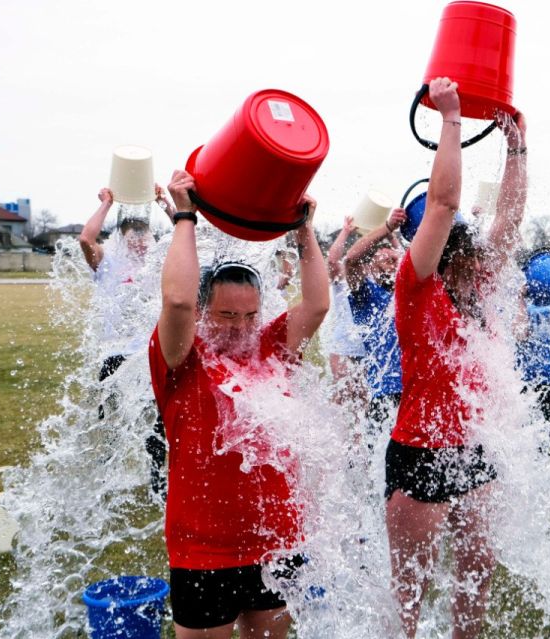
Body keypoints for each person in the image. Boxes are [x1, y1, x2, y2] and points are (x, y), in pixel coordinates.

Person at [150, 169, 329, 638]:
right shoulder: (182, 358)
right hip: (204, 550)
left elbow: (316, 305)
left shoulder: (271, 348)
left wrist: (304, 231)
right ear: (206, 312)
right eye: (227, 315)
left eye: (250, 315)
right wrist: (185, 216)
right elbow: (176, 302)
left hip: (278, 540)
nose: (240, 327)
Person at [385, 77, 527, 639]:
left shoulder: (478, 285)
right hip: (421, 450)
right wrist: (450, 120)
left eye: (467, 246)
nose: (469, 255)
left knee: (476, 571)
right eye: (456, 246)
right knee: (409, 592)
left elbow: (510, 220)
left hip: (474, 447)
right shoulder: (416, 287)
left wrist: (517, 146)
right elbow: (443, 203)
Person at [79, 184, 173, 497]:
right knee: (109, 417)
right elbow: (85, 239)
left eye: (144, 234)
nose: (140, 241)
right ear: (122, 237)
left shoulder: (158, 263)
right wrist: (106, 204)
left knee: (157, 423)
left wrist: (165, 203)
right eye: (132, 235)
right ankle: (105, 473)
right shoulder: (106, 262)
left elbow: (187, 238)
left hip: (149, 354)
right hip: (115, 354)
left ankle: (157, 478)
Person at [344, 207, 408, 435]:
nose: (393, 258)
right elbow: (351, 259)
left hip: (415, 392)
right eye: (385, 257)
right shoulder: (366, 294)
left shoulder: (407, 293)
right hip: (384, 393)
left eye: (395, 257)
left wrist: (394, 238)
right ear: (371, 265)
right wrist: (388, 227)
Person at [323, 216, 368, 420]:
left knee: (364, 405)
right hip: (343, 348)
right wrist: (346, 231)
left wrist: (392, 236)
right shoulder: (342, 280)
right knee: (342, 400)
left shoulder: (374, 282)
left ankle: (360, 447)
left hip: (368, 350)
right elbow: (332, 260)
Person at [515, 290, 550, 425]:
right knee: (524, 429)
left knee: (549, 428)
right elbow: (520, 334)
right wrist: (521, 298)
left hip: (549, 377)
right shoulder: (521, 301)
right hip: (524, 379)